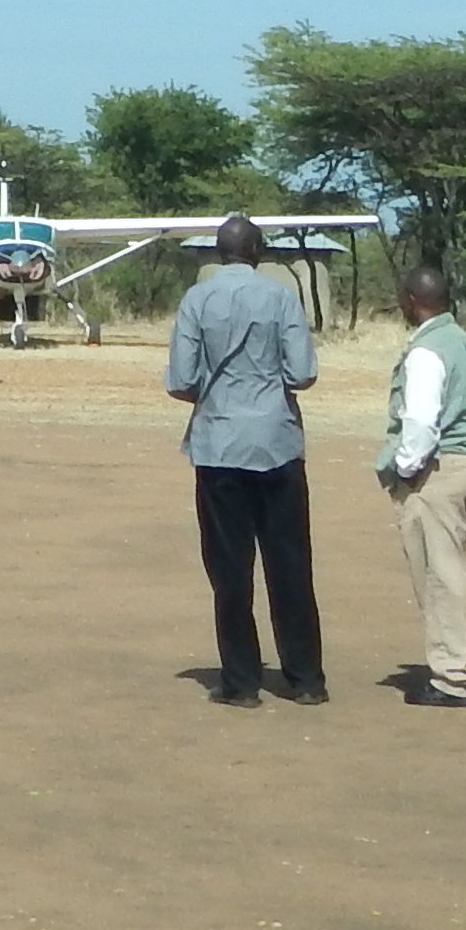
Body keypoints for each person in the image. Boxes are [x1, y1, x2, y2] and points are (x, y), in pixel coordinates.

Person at [165, 215, 323, 705]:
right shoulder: (281, 297)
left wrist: (217, 396)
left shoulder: (197, 299)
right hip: (277, 443)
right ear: (258, 250)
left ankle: (240, 682)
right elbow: (302, 374)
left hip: (219, 447)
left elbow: (179, 379)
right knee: (290, 563)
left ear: (218, 251)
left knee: (230, 567)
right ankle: (306, 680)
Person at [379, 265, 466, 706]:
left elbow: (420, 422)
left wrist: (408, 470)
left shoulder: (425, 352)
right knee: (460, 574)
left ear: (411, 301)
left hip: (441, 472)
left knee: (440, 575)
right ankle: (457, 664)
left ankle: (451, 679)